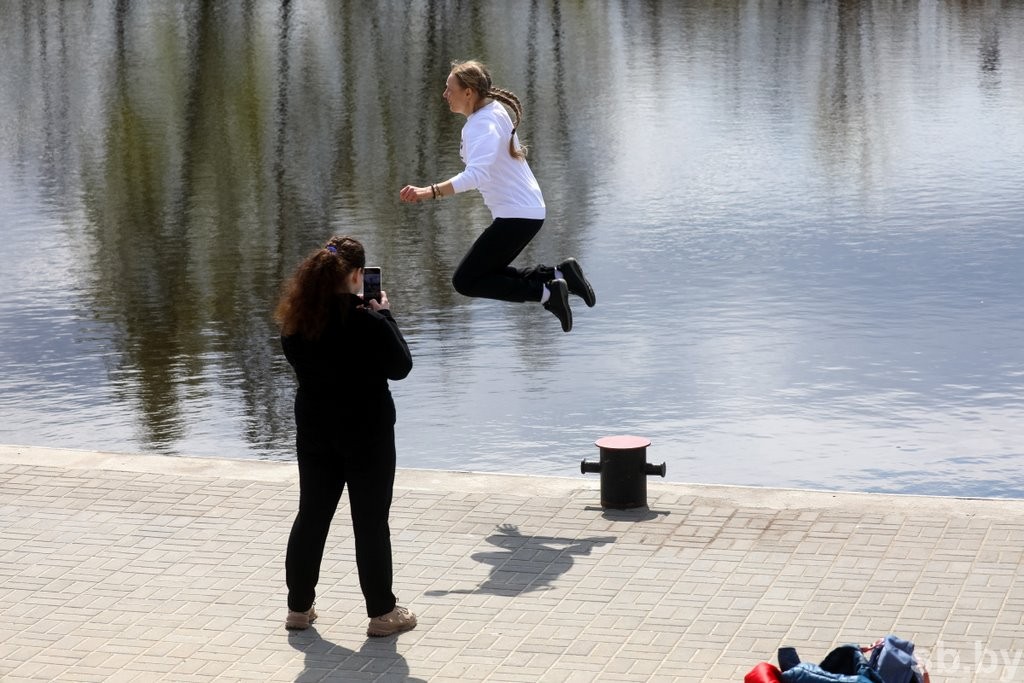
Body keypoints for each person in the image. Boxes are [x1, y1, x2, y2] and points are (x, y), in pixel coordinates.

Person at [274, 235, 417, 637]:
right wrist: (385, 315)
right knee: (370, 521)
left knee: (312, 515)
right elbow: (401, 367)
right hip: (367, 432)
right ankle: (382, 613)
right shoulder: (367, 320)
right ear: (357, 275)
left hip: (315, 430)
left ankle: (298, 608)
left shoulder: (296, 321)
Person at [399, 59, 596, 333]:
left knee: (465, 281)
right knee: (484, 275)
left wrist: (428, 192)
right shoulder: (492, 112)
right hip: (526, 212)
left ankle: (549, 293)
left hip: (517, 215)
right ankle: (560, 275)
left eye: (449, 89)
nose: (445, 95)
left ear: (469, 92)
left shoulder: (481, 125)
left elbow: (475, 176)